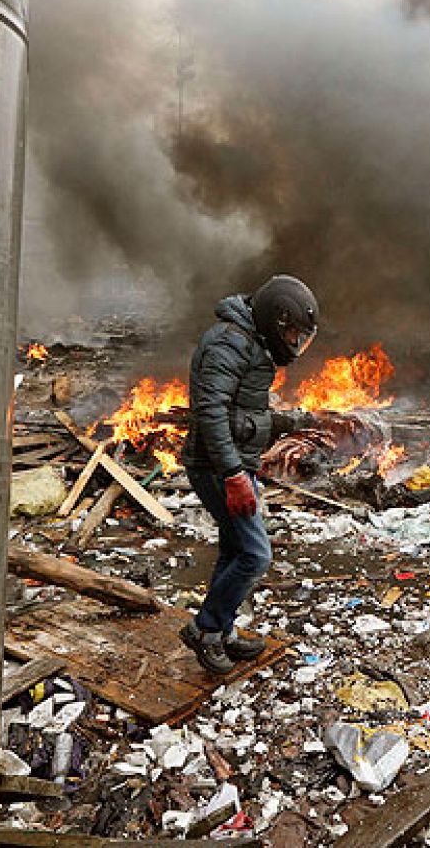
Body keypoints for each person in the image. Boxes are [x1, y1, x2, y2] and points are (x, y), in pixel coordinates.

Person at [178, 275, 319, 674]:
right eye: (291, 333)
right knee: (256, 555)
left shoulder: (248, 341)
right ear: (276, 319)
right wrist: (234, 475)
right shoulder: (228, 344)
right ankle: (206, 629)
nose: (293, 342)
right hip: (217, 467)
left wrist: (287, 423)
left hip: (234, 463)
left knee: (235, 550)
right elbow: (211, 413)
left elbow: (242, 412)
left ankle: (222, 630)